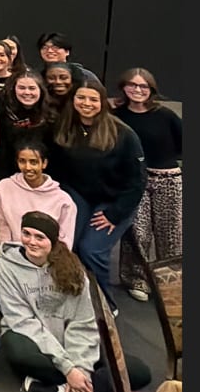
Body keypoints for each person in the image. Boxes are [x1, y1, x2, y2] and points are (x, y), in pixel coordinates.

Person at [0, 211, 152, 392]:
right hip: (33, 340)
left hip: (72, 341)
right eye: (26, 233)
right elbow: (22, 321)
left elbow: (83, 322)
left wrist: (81, 368)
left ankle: (59, 387)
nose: (31, 241)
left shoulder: (72, 267)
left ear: (52, 241)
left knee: (139, 372)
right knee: (19, 352)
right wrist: (68, 368)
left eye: (40, 237)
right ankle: (85, 385)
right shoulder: (6, 266)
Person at [47, 80, 147, 310]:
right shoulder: (65, 127)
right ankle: (72, 297)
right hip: (80, 196)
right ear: (73, 101)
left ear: (102, 102)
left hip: (115, 201)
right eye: (81, 98)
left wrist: (115, 214)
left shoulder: (123, 134)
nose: (86, 103)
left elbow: (137, 181)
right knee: (65, 245)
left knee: (91, 250)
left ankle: (104, 306)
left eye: (93, 99)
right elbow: (58, 170)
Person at [113, 68, 182, 302]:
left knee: (170, 233)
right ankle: (137, 279)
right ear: (123, 87)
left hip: (167, 179)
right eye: (132, 85)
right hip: (134, 181)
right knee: (137, 233)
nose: (137, 90)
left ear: (151, 89)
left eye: (143, 86)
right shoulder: (118, 115)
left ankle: (170, 282)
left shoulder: (165, 115)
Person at [0, 140, 77, 247]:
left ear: (44, 163)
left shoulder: (63, 200)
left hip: (48, 259)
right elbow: (2, 225)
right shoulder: (3, 187)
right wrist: (8, 252)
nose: (28, 167)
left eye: (33, 162)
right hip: (13, 255)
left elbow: (65, 241)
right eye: (22, 161)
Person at [0, 69, 56, 191]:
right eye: (21, 88)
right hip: (5, 171)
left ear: (40, 90)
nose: (27, 92)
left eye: (32, 88)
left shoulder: (51, 115)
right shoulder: (2, 109)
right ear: (14, 89)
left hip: (41, 174)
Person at [36, 32, 101, 84]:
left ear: (67, 52)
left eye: (55, 47)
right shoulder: (36, 75)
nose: (49, 51)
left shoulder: (85, 75)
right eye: (45, 48)